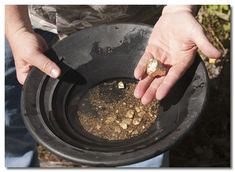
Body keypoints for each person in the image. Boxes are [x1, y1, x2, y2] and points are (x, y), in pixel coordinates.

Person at [5, 5, 221, 167]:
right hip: (29, 16)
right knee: (8, 115)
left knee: (142, 147)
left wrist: (180, 8)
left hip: (134, 18)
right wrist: (17, 28)